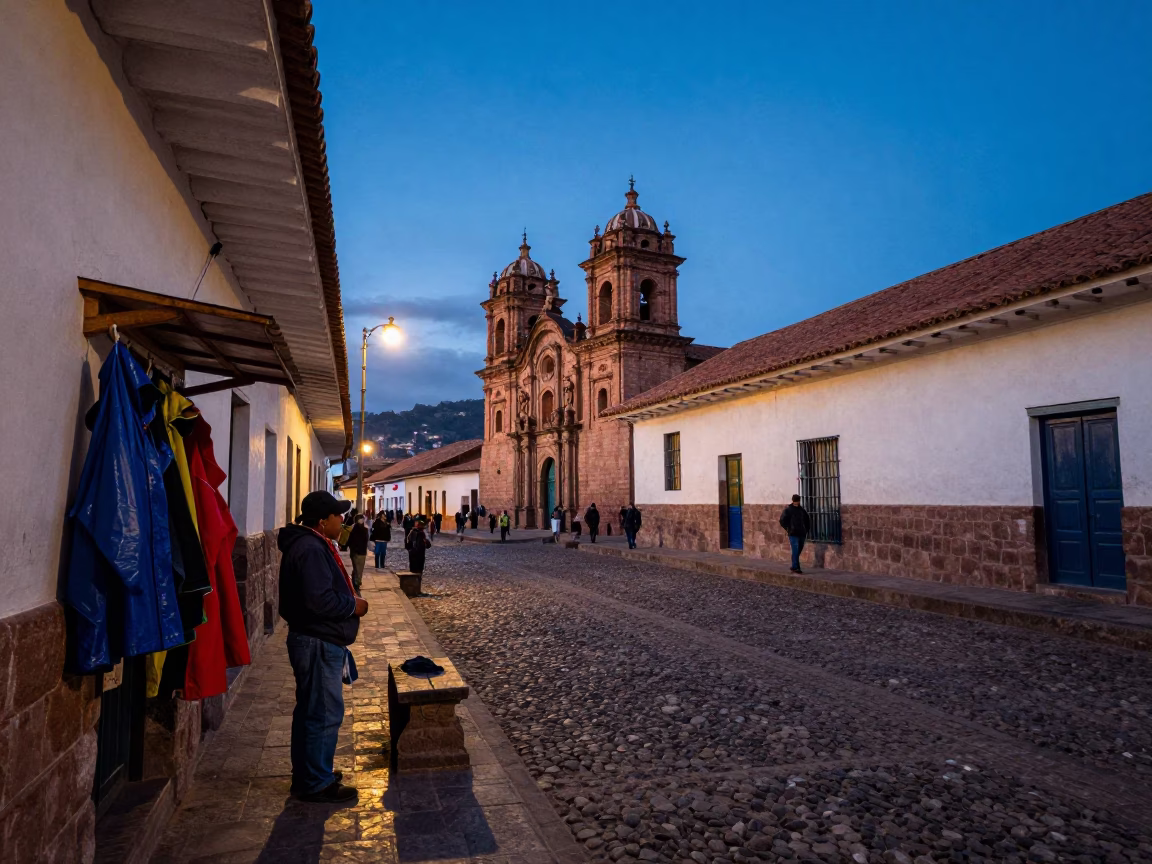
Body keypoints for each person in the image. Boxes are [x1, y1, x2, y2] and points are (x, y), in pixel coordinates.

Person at [278, 491, 368, 804]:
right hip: (317, 641)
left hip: (314, 638)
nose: (342, 521)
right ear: (322, 520)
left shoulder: (310, 544)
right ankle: (316, 781)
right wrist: (353, 606)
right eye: (337, 516)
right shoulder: (310, 549)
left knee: (310, 710)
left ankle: (311, 772)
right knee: (324, 712)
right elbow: (319, 600)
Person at [779, 494, 811, 574]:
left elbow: (807, 520)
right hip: (793, 533)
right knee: (796, 549)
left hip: (802, 533)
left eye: (798, 501)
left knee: (798, 549)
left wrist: (806, 529)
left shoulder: (802, 510)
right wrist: (788, 528)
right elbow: (782, 520)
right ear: (793, 501)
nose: (797, 503)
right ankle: (797, 567)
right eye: (796, 501)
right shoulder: (788, 510)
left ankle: (794, 566)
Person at [347, 514, 369, 590]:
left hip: (362, 551)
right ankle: (357, 583)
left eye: (362, 519)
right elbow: (349, 540)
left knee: (360, 568)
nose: (362, 520)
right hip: (355, 552)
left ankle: (355, 581)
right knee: (357, 568)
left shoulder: (365, 529)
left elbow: (366, 540)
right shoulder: (352, 528)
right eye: (360, 519)